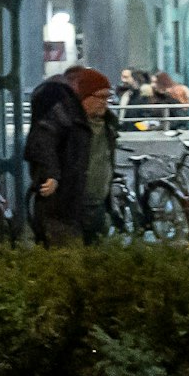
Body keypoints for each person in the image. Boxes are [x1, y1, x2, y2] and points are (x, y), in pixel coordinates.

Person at [25, 68, 119, 246]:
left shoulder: (108, 124)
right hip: (66, 209)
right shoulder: (63, 117)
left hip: (97, 207)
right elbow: (42, 144)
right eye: (99, 97)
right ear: (84, 97)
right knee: (68, 258)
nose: (104, 103)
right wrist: (51, 174)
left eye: (107, 97)